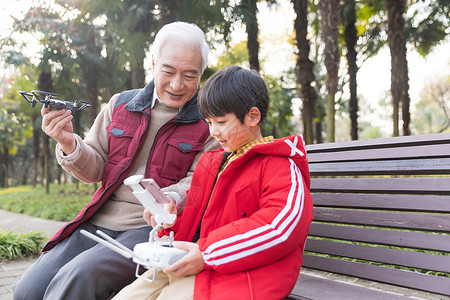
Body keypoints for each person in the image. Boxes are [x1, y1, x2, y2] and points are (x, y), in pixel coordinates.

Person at [13, 21, 219, 300]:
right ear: (154, 62)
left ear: (201, 73)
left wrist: (168, 198)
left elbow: (198, 181)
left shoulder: (210, 121)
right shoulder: (120, 104)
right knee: (28, 290)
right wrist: (68, 142)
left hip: (151, 229)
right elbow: (95, 167)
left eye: (190, 75)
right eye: (168, 71)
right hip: (97, 219)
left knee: (76, 281)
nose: (177, 84)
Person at [113, 65, 313, 300]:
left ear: (253, 116)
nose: (214, 132)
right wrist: (170, 214)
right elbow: (195, 216)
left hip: (245, 275)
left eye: (221, 122)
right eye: (209, 122)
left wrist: (208, 253)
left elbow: (279, 228)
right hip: (198, 264)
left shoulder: (280, 166)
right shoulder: (212, 163)